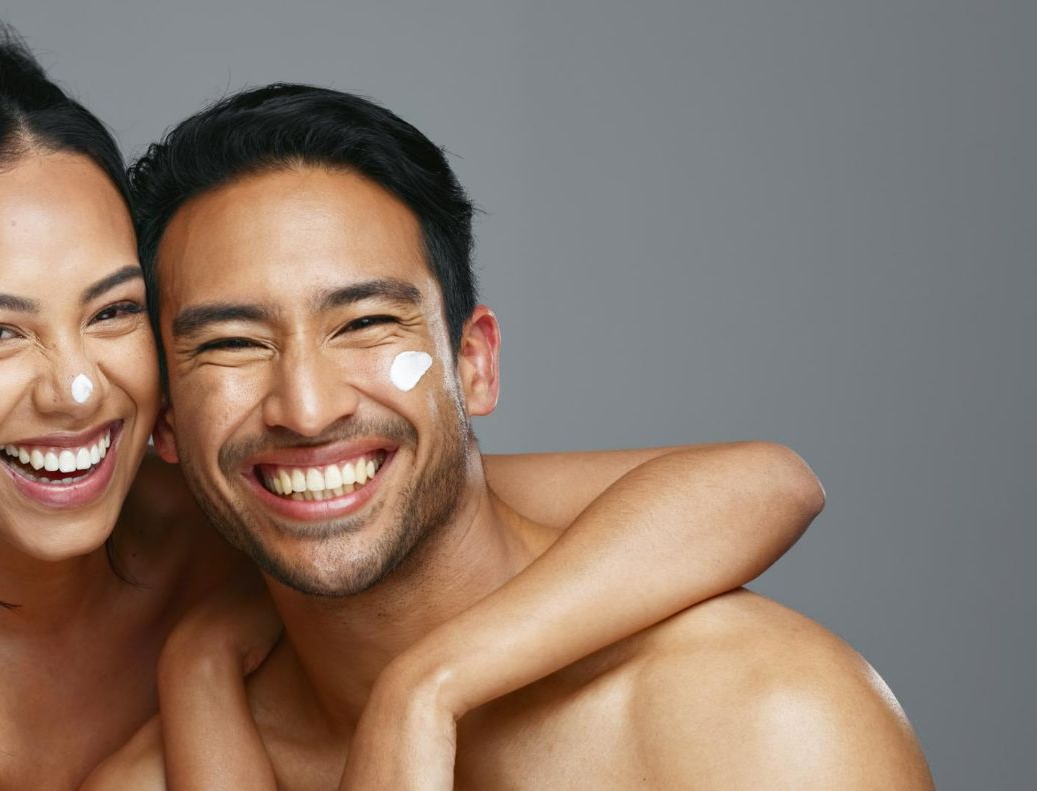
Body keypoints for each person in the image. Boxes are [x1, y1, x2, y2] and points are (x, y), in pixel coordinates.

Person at [0, 3, 826, 788]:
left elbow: (752, 484)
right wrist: (199, 672)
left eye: (112, 311)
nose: (75, 388)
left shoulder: (211, 468)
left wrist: (423, 682)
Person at [87, 83, 934, 788]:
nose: (307, 409)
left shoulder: (759, 725)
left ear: (475, 363)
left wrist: (420, 688)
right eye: (233, 343)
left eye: (367, 324)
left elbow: (773, 479)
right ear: (163, 417)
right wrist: (195, 668)